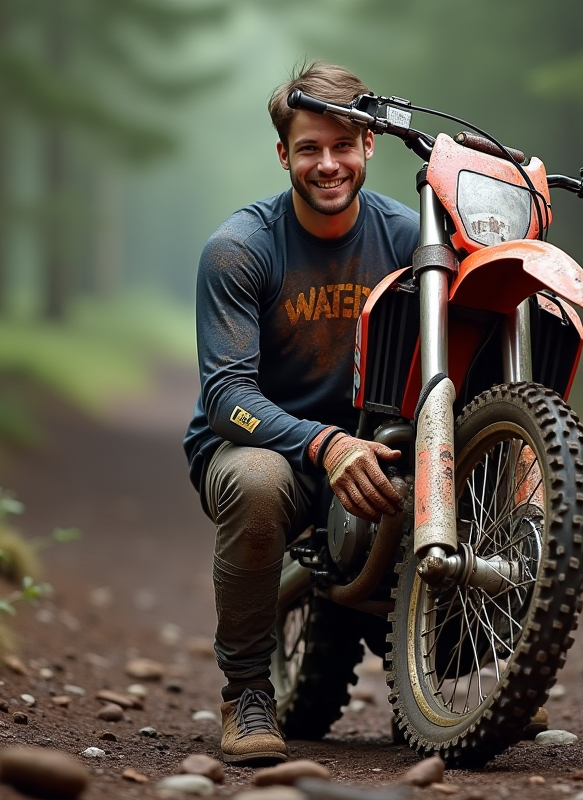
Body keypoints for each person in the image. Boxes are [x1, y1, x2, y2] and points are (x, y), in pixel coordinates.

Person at [182, 61, 419, 765]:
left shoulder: (408, 241)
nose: (328, 164)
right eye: (310, 148)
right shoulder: (241, 248)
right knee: (257, 482)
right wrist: (326, 446)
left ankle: (454, 668)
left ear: (369, 146)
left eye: (343, 146)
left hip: (374, 448)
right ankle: (247, 692)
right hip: (260, 445)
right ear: (283, 153)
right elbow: (226, 398)